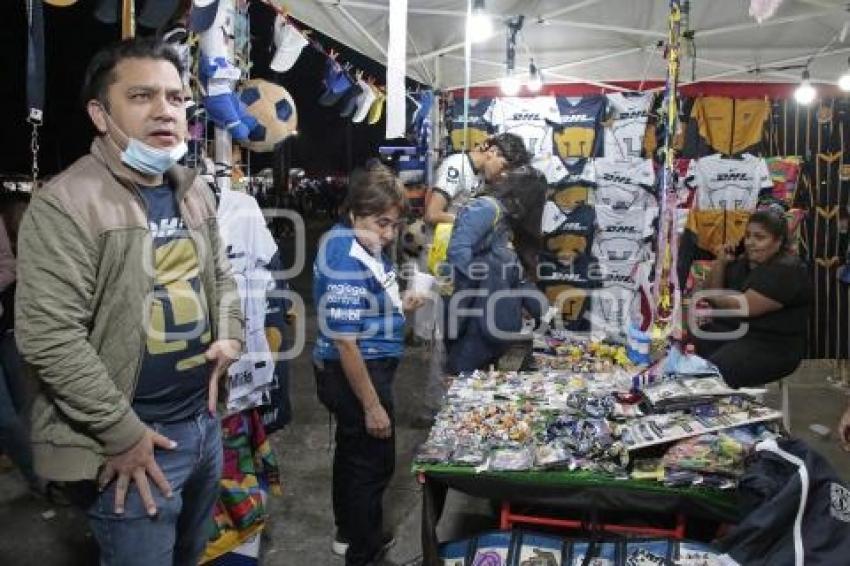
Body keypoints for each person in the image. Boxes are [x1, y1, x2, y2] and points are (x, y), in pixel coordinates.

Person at [15, 38, 243, 565]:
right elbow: (48, 338)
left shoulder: (193, 189)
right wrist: (122, 434)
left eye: (177, 98)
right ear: (101, 113)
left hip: (203, 423)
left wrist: (229, 333)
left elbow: (222, 276)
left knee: (191, 554)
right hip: (132, 442)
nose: (166, 110)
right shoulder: (67, 204)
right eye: (142, 96)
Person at [313, 162, 424, 566]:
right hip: (356, 373)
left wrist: (402, 303)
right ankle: (365, 554)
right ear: (354, 212)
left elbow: (370, 304)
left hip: (363, 367)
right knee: (372, 465)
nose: (389, 234)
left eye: (393, 225)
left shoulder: (362, 245)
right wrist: (372, 404)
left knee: (352, 454)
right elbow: (345, 341)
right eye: (381, 223)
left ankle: (350, 534)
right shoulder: (344, 252)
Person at [444, 166, 548, 374]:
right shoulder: (487, 208)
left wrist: (543, 312)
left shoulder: (504, 218)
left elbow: (516, 275)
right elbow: (457, 252)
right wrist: (487, 278)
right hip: (472, 310)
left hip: (489, 315)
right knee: (461, 371)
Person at [692, 209, 811, 388]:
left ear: (778, 242)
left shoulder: (788, 270)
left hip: (774, 346)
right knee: (695, 355)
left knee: (715, 371)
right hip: (739, 334)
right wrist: (720, 263)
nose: (750, 243)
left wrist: (712, 297)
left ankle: (724, 407)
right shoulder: (743, 263)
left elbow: (744, 306)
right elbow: (710, 294)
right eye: (747, 236)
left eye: (759, 237)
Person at [424, 132, 531, 225]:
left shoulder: (482, 174)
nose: (504, 174)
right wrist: (473, 223)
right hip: (441, 244)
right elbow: (432, 215)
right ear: (492, 151)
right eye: (504, 167)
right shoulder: (456, 166)